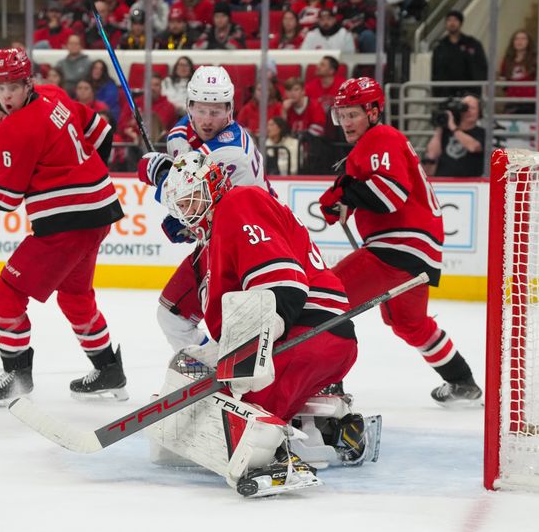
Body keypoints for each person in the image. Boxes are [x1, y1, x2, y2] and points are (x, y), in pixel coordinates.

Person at [148, 149, 376, 497]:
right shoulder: (212, 242)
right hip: (317, 340)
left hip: (308, 334)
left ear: (212, 186)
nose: (187, 213)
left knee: (228, 406)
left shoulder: (239, 203)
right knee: (208, 390)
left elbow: (283, 287)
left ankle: (276, 461)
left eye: (191, 200)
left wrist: (247, 360)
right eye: (181, 205)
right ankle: (336, 429)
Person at [0, 48, 126, 406]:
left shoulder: (13, 130)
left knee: (5, 294)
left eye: (13, 86)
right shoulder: (55, 94)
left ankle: (16, 377)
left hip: (68, 223)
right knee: (75, 297)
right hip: (100, 211)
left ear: (28, 82)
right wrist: (86, 175)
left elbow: (5, 196)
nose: (7, 95)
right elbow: (101, 131)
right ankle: (109, 370)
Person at [318, 77, 483, 406]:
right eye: (342, 115)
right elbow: (369, 196)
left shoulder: (380, 136)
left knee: (325, 300)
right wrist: (343, 198)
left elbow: (389, 196)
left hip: (396, 248)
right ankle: (462, 382)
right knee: (410, 324)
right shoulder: (375, 143)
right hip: (416, 253)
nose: (347, 123)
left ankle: (326, 385)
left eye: (353, 114)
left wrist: (346, 192)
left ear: (374, 112)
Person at [137, 65, 269, 356]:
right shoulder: (181, 132)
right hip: (219, 241)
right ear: (189, 106)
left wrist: (159, 176)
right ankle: (204, 370)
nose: (208, 120)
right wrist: (187, 221)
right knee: (172, 316)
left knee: (234, 327)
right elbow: (194, 196)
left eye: (217, 111)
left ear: (230, 110)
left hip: (253, 245)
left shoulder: (231, 151)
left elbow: (186, 191)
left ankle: (244, 379)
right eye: (201, 110)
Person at [423, 93, 484, 177]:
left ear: (479, 112)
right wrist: (439, 128)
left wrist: (453, 127)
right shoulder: (446, 131)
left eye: (472, 108)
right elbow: (432, 154)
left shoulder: (482, 133)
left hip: (470, 183)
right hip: (444, 181)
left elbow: (473, 147)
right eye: (465, 107)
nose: (468, 111)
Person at [430, 10, 487, 98]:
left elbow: (482, 67)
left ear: (460, 23)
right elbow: (435, 71)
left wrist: (478, 90)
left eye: (455, 20)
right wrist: (436, 92)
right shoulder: (439, 47)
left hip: (469, 94)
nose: (452, 23)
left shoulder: (473, 44)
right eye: (449, 20)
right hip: (445, 95)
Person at [498, 29, 536, 115]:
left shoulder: (535, 60)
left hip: (531, 102)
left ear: (528, 42)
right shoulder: (507, 60)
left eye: (523, 39)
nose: (520, 41)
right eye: (517, 39)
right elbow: (503, 79)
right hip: (512, 101)